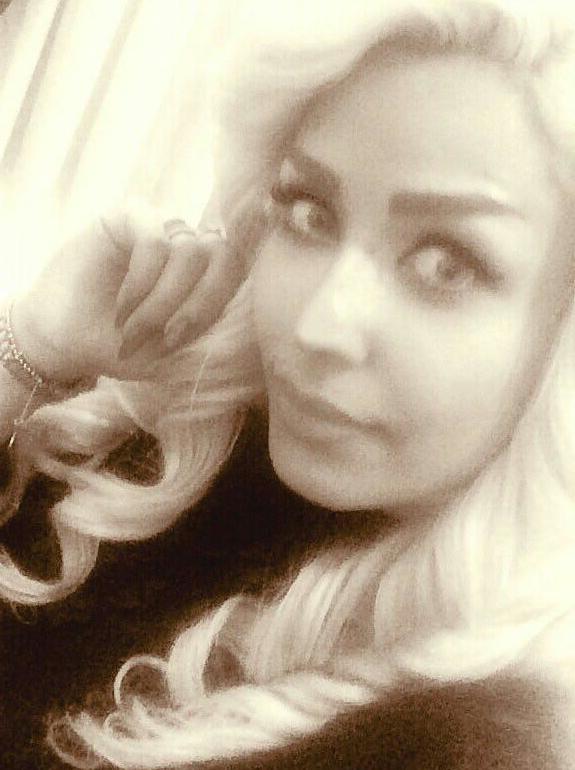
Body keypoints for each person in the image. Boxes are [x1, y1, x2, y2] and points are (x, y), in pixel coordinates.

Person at [2, 0, 575, 766]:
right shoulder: (177, 453)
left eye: (446, 264)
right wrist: (33, 348)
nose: (317, 326)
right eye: (309, 212)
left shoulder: (481, 736)